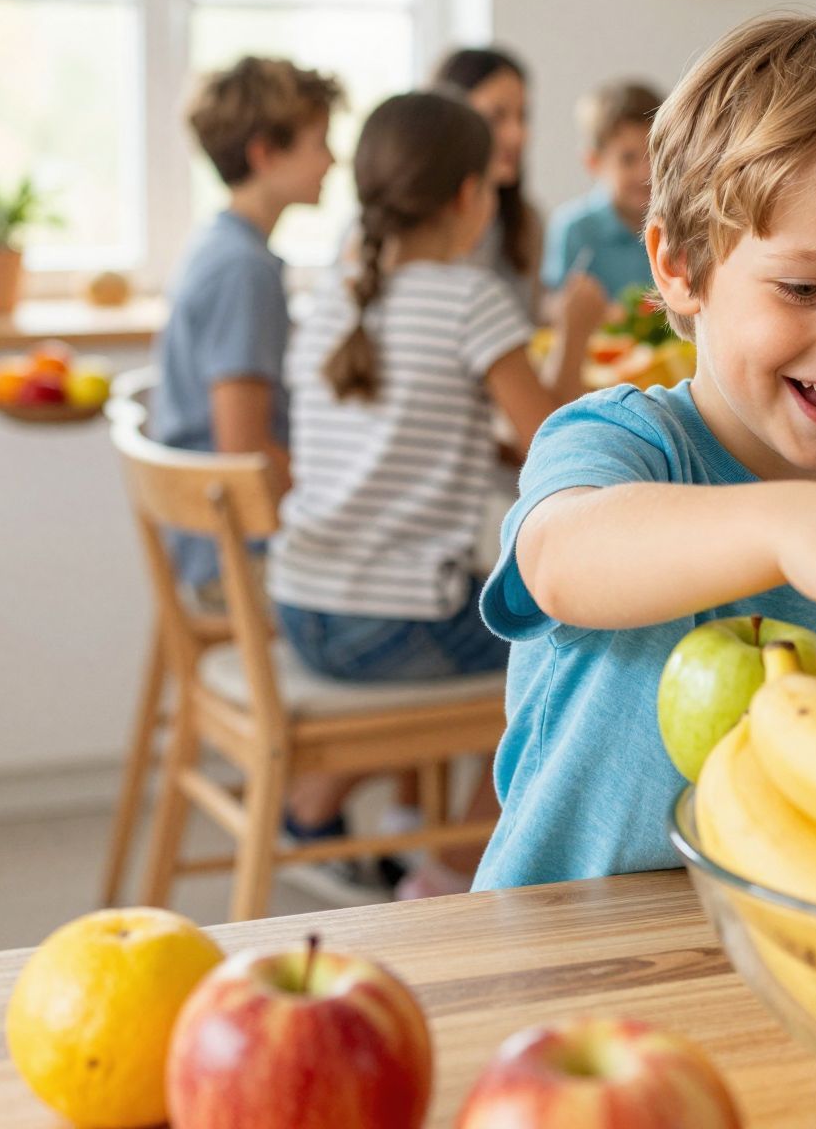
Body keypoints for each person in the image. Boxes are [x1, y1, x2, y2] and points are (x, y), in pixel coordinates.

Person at [473, 14, 816, 890]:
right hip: (570, 959)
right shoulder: (620, 444)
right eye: (806, 287)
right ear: (679, 266)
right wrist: (791, 523)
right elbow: (560, 559)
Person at [267, 91, 605, 897]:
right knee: (574, 640)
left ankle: (317, 799)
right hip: (391, 622)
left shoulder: (336, 295)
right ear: (468, 196)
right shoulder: (471, 297)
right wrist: (580, 331)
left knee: (486, 600)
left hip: (301, 608)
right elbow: (554, 440)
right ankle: (451, 869)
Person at [153, 57, 340, 596]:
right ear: (265, 153)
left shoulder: (222, 245)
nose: (333, 160)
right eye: (319, 142)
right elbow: (245, 449)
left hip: (210, 546)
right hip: (233, 562)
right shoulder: (244, 271)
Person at [432, 46, 549, 321]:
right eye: (497, 117)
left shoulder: (527, 223)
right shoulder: (408, 227)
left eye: (522, 116)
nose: (517, 135)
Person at [542, 78, 661, 300]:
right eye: (628, 159)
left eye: (654, 155)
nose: (646, 173)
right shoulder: (574, 229)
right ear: (593, 162)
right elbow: (555, 307)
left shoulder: (678, 226)